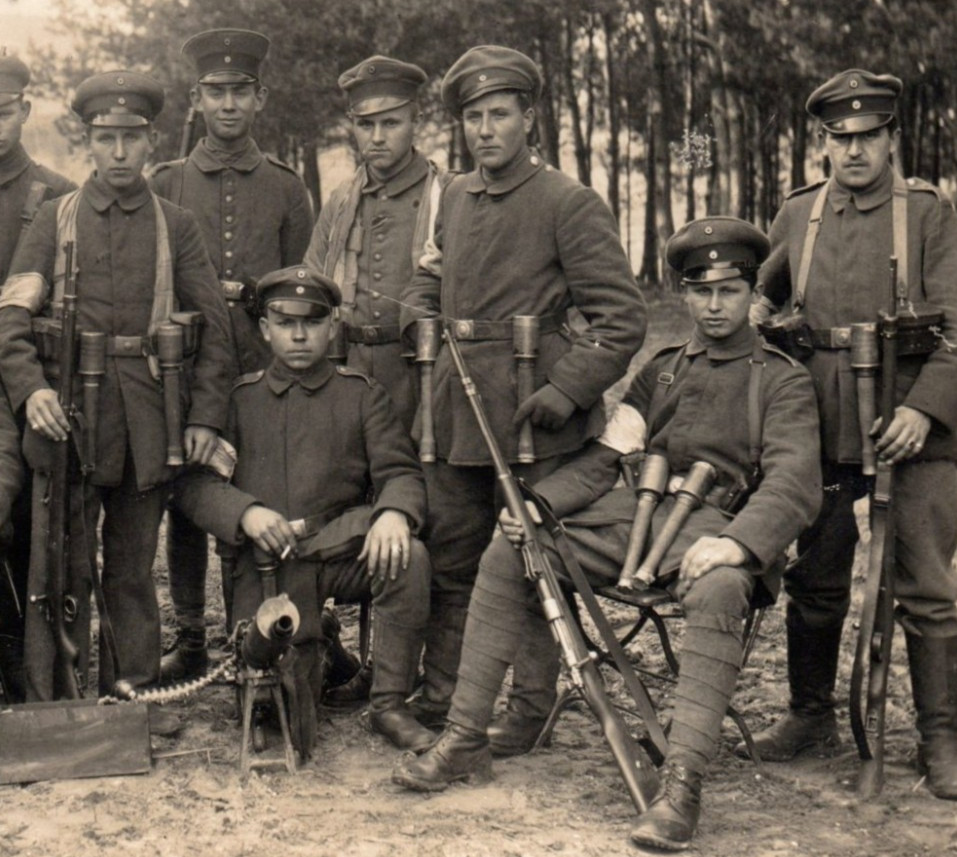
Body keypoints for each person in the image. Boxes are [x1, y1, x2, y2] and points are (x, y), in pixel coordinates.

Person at [393, 217, 822, 851]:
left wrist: (737, 544)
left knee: (720, 587)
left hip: (718, 530)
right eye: (701, 291)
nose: (714, 305)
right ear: (684, 294)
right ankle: (463, 737)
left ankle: (681, 784)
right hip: (633, 521)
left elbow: (794, 481)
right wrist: (539, 506)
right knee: (515, 548)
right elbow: (603, 460)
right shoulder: (663, 371)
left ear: (752, 293)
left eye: (729, 291)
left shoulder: (781, 379)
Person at [398, 45, 646, 736]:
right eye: (472, 116)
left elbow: (621, 317)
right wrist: (417, 314)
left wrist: (567, 390)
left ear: (529, 117)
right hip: (458, 413)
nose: (484, 130)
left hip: (537, 418)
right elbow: (429, 279)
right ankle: (448, 700)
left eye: (499, 114)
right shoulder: (454, 195)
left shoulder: (568, 202)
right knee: (453, 559)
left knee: (535, 561)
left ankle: (530, 710)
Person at [748, 69, 957, 800]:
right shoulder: (799, 214)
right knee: (816, 573)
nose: (855, 150)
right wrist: (756, 313)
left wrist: (923, 411)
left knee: (925, 583)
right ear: (824, 143)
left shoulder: (928, 214)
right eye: (840, 138)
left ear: (892, 138)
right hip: (822, 423)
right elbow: (760, 297)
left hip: (912, 426)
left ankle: (940, 737)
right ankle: (810, 716)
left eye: (869, 136)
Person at [0, 71, 232, 724]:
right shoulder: (56, 218)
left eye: (132, 137)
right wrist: (31, 391)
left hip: (147, 426)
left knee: (131, 572)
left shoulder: (176, 225)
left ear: (151, 140)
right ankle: (60, 701)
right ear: (88, 141)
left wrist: (204, 417)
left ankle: (135, 698)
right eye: (106, 138)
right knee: (62, 568)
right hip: (68, 421)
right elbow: (11, 317)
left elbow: (214, 331)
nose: (120, 152)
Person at [174, 265, 435, 753]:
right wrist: (245, 513)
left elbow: (401, 473)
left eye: (312, 322)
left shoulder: (361, 396)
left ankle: (389, 704)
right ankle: (321, 649)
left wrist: (394, 513)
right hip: (267, 563)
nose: (299, 335)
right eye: (285, 322)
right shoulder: (239, 401)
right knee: (284, 714)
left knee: (409, 558)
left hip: (338, 552)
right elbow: (195, 486)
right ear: (264, 328)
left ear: (333, 326)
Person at [151, 29, 316, 683]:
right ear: (196, 98)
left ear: (260, 98)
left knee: (255, 497)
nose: (227, 104)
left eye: (239, 92)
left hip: (258, 367)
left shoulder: (285, 187)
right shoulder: (166, 182)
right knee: (186, 500)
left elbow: (300, 287)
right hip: (184, 371)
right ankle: (192, 637)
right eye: (215, 92)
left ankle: (251, 636)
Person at [303, 54, 442, 709]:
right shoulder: (340, 202)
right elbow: (312, 287)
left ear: (416, 121)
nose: (378, 136)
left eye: (391, 122)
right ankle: (352, 661)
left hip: (421, 380)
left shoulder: (446, 196)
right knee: (350, 513)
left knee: (422, 520)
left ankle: (414, 675)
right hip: (349, 375)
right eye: (366, 124)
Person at [0, 54, 75, 702]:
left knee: (31, 535)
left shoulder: (55, 196)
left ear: (24, 110)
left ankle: (31, 677)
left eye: (1, 112)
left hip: (28, 390)